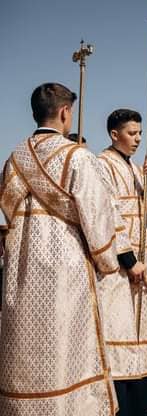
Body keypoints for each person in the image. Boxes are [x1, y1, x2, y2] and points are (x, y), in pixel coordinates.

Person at [0, 82, 121, 415]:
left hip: (22, 265)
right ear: (66, 112)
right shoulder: (77, 156)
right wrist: (107, 261)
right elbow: (96, 215)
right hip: (67, 266)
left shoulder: (15, 158)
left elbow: (7, 209)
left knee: (26, 345)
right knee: (67, 346)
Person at [96, 109, 147, 415]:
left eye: (140, 133)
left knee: (141, 336)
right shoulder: (102, 164)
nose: (138, 139)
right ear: (115, 134)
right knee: (120, 333)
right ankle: (123, 407)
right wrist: (128, 259)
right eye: (131, 133)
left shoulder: (137, 169)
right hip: (119, 267)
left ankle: (143, 406)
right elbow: (105, 215)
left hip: (143, 265)